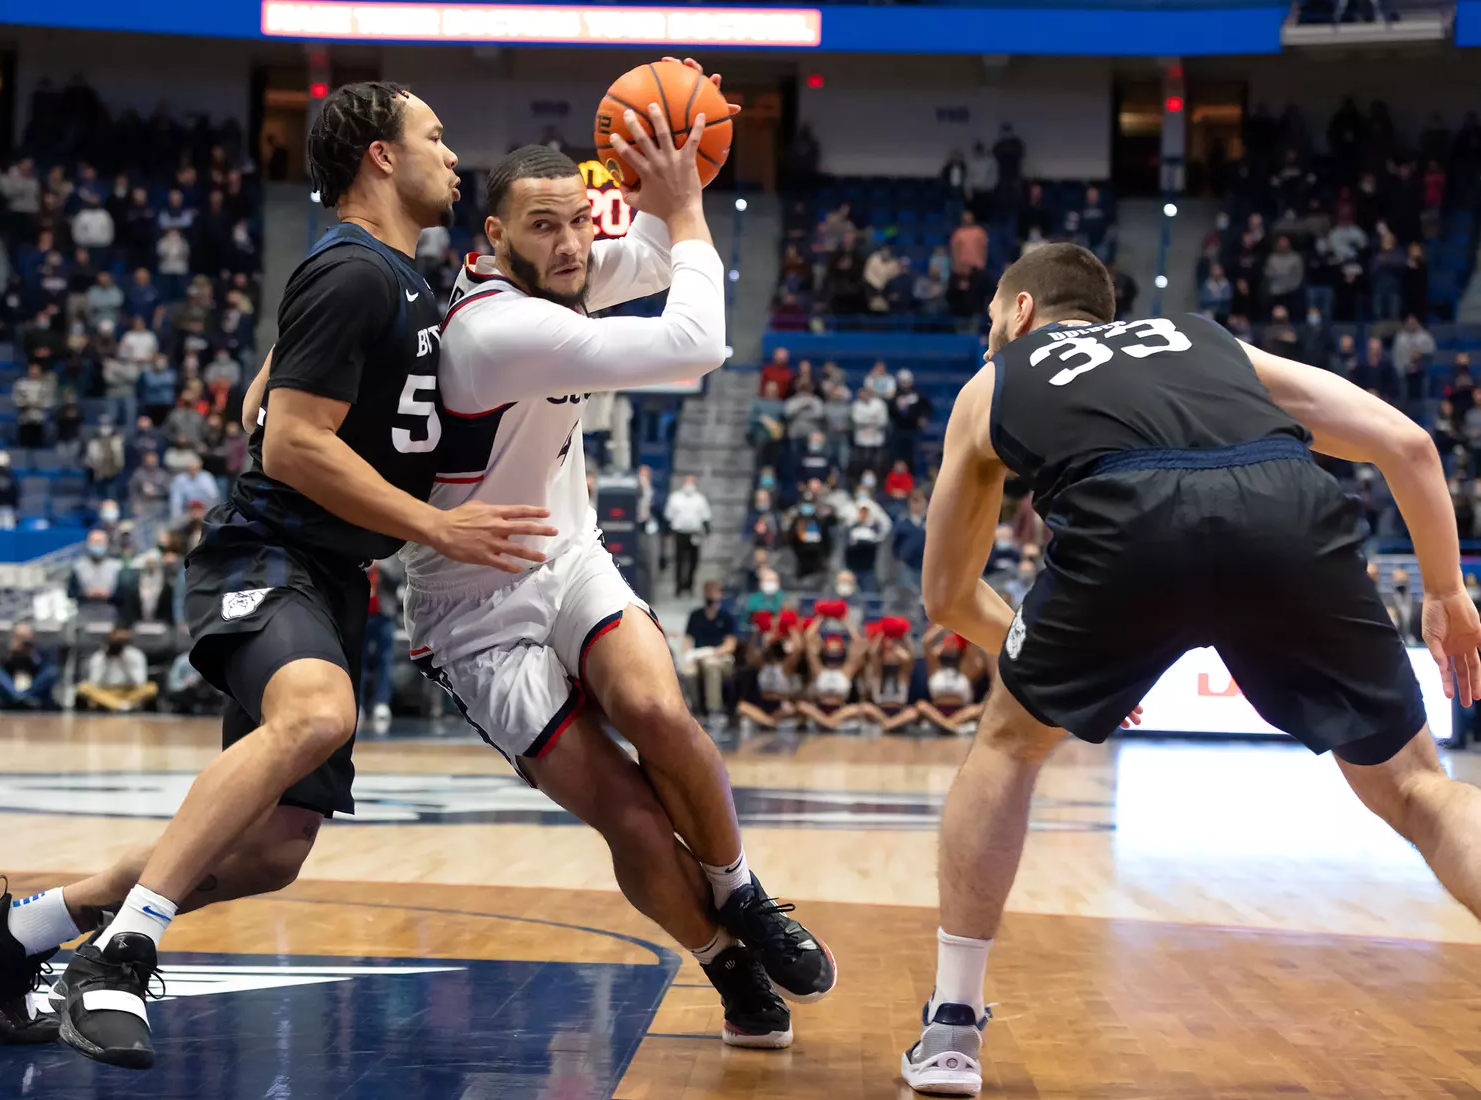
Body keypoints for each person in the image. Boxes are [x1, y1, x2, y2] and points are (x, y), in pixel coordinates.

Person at [0, 81, 549, 1069]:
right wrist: (439, 524)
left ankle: (12, 933)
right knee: (314, 713)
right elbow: (295, 449)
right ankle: (122, 953)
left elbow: (279, 391)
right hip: (267, 552)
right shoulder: (355, 272)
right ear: (380, 157)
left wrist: (273, 376)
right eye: (432, 136)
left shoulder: (387, 276)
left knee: (268, 852)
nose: (451, 153)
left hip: (334, 572)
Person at [903, 241, 1481, 1096]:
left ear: (1020, 312)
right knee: (1416, 786)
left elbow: (948, 597)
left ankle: (953, 1028)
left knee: (1007, 746)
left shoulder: (995, 382)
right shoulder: (1203, 340)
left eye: (993, 317)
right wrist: (1445, 592)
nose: (990, 334)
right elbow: (1409, 445)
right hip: (1283, 504)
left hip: (1124, 520)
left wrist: (1065, 661)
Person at [400, 92, 831, 1047]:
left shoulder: (569, 274)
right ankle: (726, 964)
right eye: (541, 226)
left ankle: (746, 896)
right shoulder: (492, 329)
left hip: (567, 550)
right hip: (472, 608)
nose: (568, 244)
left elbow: (658, 257)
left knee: (657, 711)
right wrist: (684, 206)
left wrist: (665, 167)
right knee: (631, 819)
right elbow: (699, 340)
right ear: (494, 236)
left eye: (575, 222)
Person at [793, 617, 866, 731]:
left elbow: (858, 644)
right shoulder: (818, 670)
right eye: (830, 652)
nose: (833, 656)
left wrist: (844, 620)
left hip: (840, 710)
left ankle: (827, 723)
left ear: (842, 653)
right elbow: (808, 638)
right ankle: (831, 723)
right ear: (825, 652)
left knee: (856, 709)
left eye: (836, 653)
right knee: (801, 706)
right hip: (820, 710)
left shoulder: (846, 670)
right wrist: (821, 617)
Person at [681, 579, 737, 723]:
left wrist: (713, 652)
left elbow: (731, 645)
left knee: (710, 665)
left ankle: (714, 710)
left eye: (714, 592)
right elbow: (687, 639)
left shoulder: (726, 616)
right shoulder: (696, 615)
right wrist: (688, 654)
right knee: (688, 671)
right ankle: (696, 709)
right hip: (699, 655)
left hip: (720, 656)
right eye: (708, 592)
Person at [76, 627, 157, 712]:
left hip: (129, 692)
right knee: (83, 687)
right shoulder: (99, 657)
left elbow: (140, 682)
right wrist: (105, 662)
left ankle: (114, 705)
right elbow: (94, 682)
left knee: (152, 687)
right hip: (106, 692)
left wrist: (126, 663)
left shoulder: (135, 655)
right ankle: (121, 706)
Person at [362, 558, 402, 727]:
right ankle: (359, 703)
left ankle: (382, 702)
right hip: (363, 614)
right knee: (359, 660)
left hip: (384, 614)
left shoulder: (391, 556)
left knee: (385, 659)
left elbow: (397, 577)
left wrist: (379, 566)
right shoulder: (360, 551)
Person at [0, 622, 58, 709]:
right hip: (11, 686)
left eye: (25, 637)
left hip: (33, 686)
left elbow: (42, 669)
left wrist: (31, 654)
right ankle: (20, 697)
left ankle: (23, 698)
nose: (23, 640)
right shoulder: (6, 650)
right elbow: (1, 670)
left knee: (52, 671)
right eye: (19, 637)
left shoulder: (38, 650)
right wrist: (12, 653)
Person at [664, 474, 711, 596]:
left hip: (694, 533)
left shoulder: (700, 499)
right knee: (679, 561)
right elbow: (669, 516)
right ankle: (679, 586)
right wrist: (668, 533)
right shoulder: (675, 498)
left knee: (693, 561)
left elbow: (705, 517)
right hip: (680, 533)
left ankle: (689, 585)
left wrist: (706, 532)